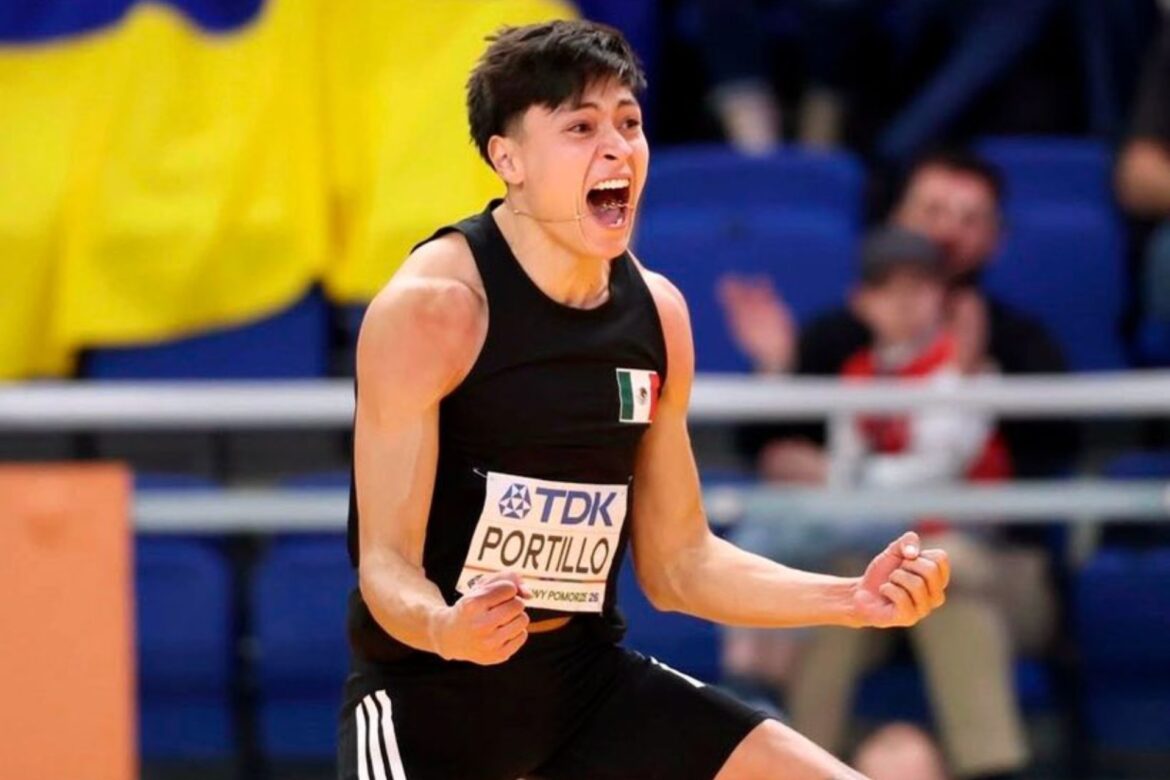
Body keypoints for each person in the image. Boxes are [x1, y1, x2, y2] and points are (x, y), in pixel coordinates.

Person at [340, 19, 950, 780]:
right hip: (428, 699)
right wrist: (445, 626)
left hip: (585, 684)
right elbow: (385, 566)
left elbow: (679, 564)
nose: (617, 148)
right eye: (581, 127)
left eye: (628, 124)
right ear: (508, 159)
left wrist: (852, 598)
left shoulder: (658, 314)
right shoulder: (434, 310)